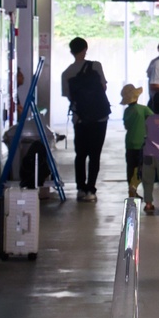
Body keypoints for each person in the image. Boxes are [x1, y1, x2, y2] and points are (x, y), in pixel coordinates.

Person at [61, 37, 110, 202]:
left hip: (80, 119)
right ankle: (91, 190)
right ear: (85, 49)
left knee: (80, 154)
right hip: (100, 117)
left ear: (71, 51)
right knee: (95, 154)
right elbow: (103, 87)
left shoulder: (66, 73)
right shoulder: (95, 66)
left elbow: (69, 97)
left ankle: (80, 188)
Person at [121, 84, 150, 199]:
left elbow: (126, 126)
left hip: (129, 142)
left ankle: (131, 189)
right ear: (137, 97)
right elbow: (153, 119)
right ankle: (135, 187)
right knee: (140, 168)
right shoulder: (143, 109)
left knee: (130, 167)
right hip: (141, 143)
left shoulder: (127, 111)